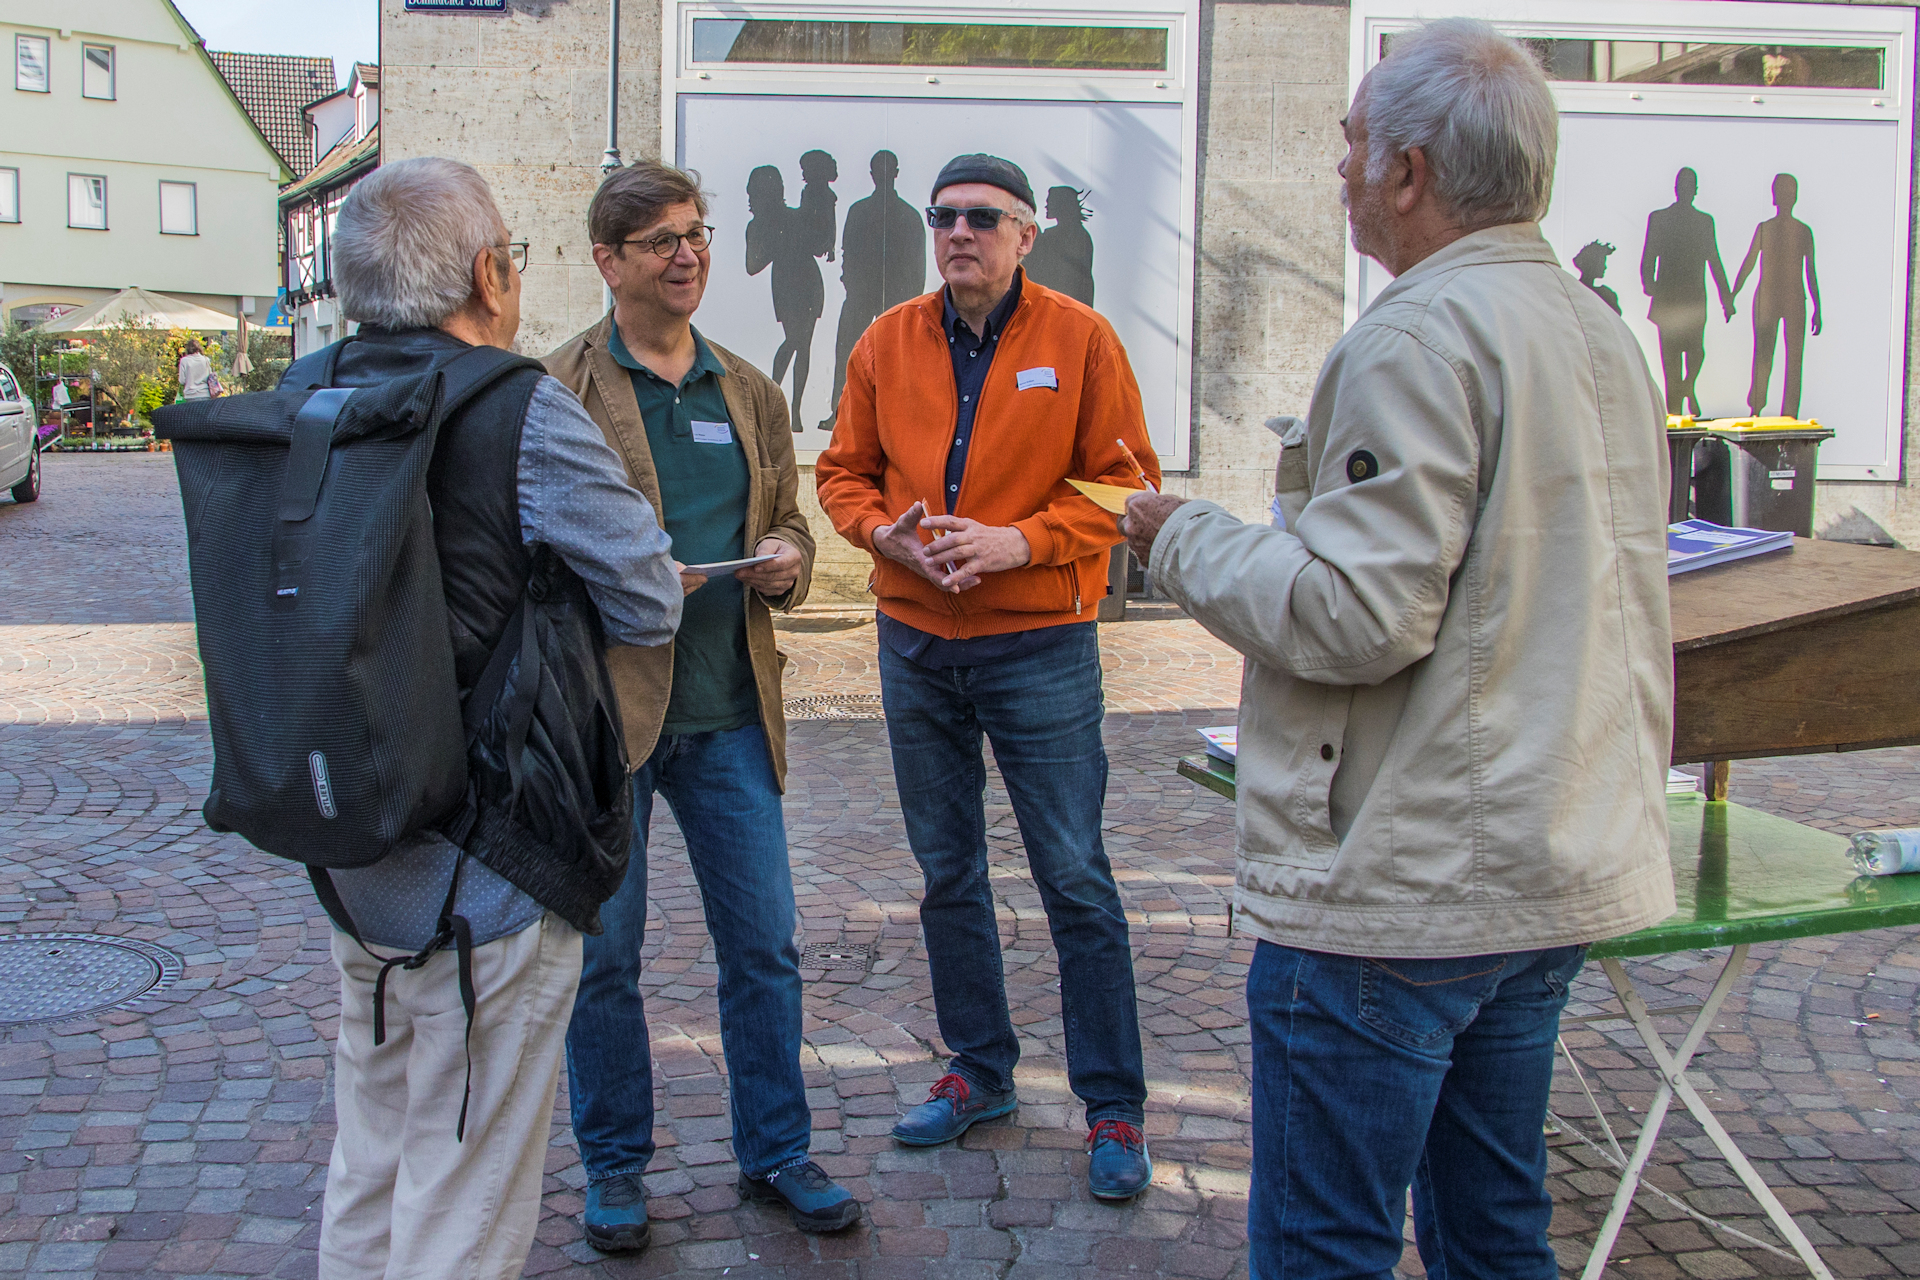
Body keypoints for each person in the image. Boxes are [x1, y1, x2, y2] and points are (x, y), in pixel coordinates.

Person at [1121, 21, 1677, 1276]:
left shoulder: (1416, 336)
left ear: (1411, 171)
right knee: (1495, 1229)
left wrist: (1181, 535)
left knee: (1328, 1242)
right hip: (1547, 849)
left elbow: (1357, 616)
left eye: (1353, 143)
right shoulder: (1596, 331)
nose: (1340, 168)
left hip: (1406, 886)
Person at [298, 157, 684, 1280]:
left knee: (370, 1158)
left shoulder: (311, 395)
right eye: (513, 254)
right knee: (464, 1186)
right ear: (487, 272)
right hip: (492, 868)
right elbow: (649, 593)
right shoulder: (517, 406)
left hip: (354, 845)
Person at [815, 152, 1160, 1201]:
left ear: (1026, 233)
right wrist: (887, 535)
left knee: (1074, 876)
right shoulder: (888, 340)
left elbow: (1126, 485)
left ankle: (1114, 1106)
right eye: (945, 216)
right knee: (948, 872)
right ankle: (980, 1069)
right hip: (917, 643)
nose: (959, 232)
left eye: (982, 217)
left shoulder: (1080, 339)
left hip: (1039, 644)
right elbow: (843, 473)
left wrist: (1023, 543)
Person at [545, 160, 858, 1248]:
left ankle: (777, 1147)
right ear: (609, 261)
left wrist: (784, 555)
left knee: (764, 943)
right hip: (609, 723)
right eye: (662, 241)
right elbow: (527, 557)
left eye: (697, 234)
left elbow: (795, 522)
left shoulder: (748, 389)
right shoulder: (561, 389)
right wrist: (625, 584)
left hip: (729, 710)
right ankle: (615, 1165)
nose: (689, 255)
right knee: (605, 958)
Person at [821, 150, 926, 433]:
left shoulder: (908, 215)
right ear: (873, 174)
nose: (881, 175)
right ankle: (839, 412)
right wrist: (850, 281)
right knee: (847, 350)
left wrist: (911, 302)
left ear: (894, 173)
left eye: (885, 170)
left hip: (896, 298)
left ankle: (899, 415)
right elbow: (847, 251)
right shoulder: (861, 210)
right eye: (877, 170)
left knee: (898, 357)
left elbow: (918, 263)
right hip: (860, 293)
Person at [1639, 168, 1734, 416]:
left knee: (1696, 352)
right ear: (1678, 188)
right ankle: (1677, 408)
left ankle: (1686, 387)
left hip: (1691, 299)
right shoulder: (1659, 218)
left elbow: (1714, 261)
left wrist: (1727, 298)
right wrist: (1648, 283)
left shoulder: (1704, 221)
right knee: (1671, 362)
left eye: (1690, 186)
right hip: (1671, 298)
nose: (1687, 190)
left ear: (1693, 191)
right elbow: (1649, 254)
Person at [1732, 172, 1821, 417]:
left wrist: (1817, 308)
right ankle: (1758, 408)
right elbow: (1749, 263)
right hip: (1772, 299)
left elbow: (1810, 271)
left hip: (1787, 299)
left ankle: (1783, 413)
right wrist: (1732, 294)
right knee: (1766, 355)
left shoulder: (1800, 231)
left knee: (1780, 358)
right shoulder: (1775, 229)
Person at [1023, 186, 1095, 306]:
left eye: (1049, 202)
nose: (1046, 207)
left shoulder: (1073, 236)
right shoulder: (1072, 233)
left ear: (1062, 204)